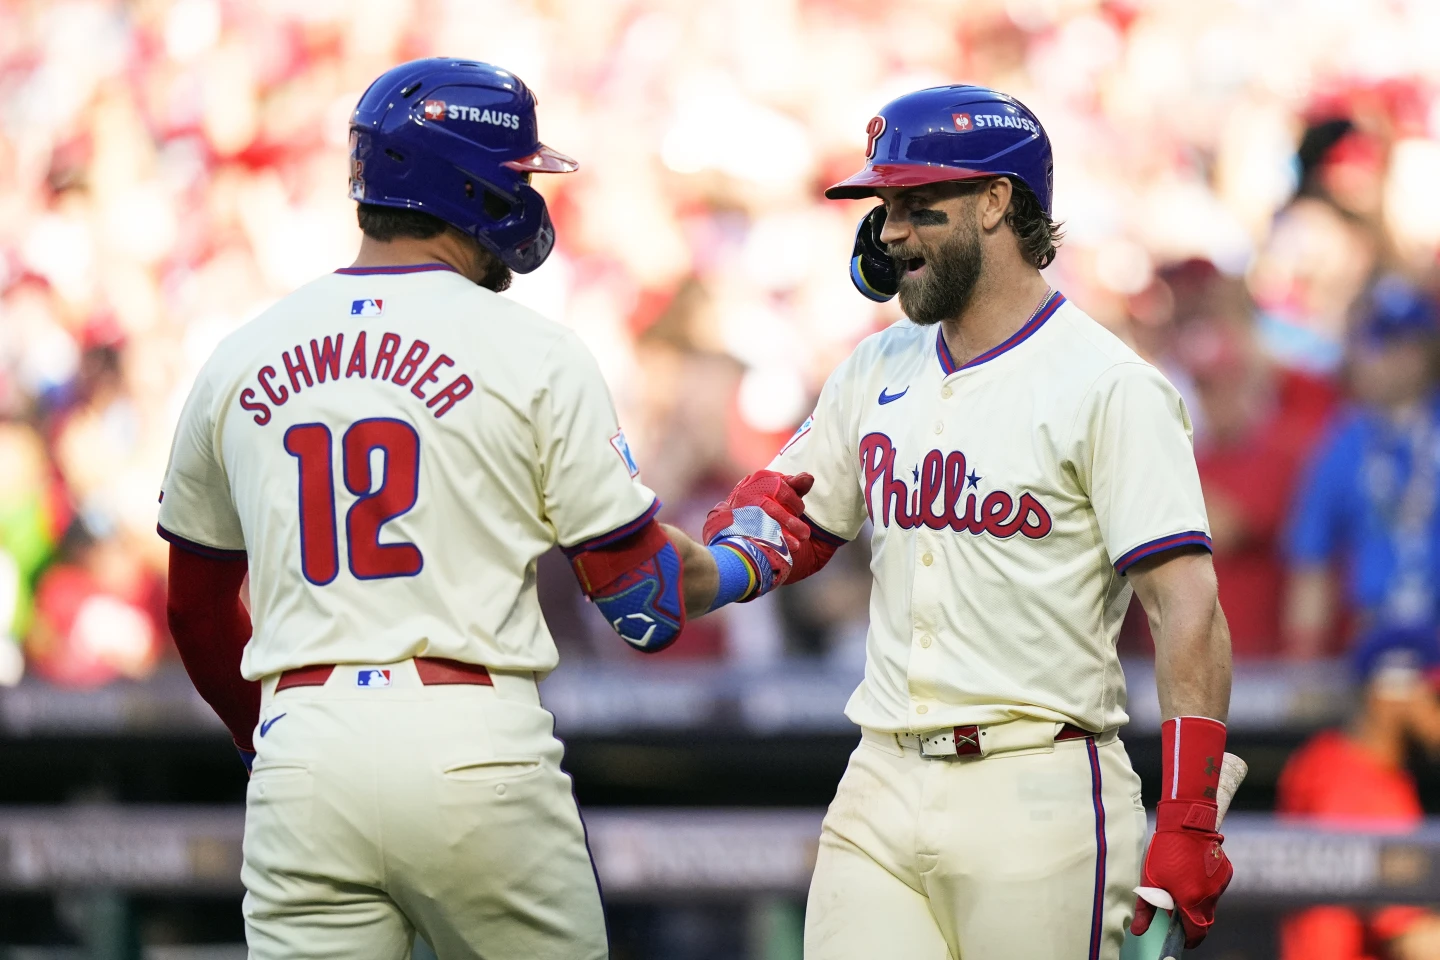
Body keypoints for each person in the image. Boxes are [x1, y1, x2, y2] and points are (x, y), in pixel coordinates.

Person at [158, 58, 799, 960]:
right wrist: (747, 557)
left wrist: (262, 735)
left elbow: (192, 606)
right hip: (471, 741)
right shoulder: (533, 349)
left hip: (303, 739)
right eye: (515, 176)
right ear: (466, 184)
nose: (526, 197)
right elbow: (642, 604)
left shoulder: (239, 354)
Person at [709, 86, 1234, 959]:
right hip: (880, 772)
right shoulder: (874, 365)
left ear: (996, 201)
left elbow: (1187, 608)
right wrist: (693, 569)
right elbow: (784, 515)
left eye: (919, 206)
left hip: (1039, 784)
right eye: (885, 208)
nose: (891, 232)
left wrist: (1188, 816)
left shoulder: (1111, 384)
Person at [1285, 278, 1440, 658]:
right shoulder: (1341, 444)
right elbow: (1311, 563)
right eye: (1377, 343)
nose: (1392, 358)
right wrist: (1303, 658)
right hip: (1373, 643)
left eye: (1406, 344)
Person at [1277, 628, 1440, 960]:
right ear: (1389, 694)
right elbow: (1412, 938)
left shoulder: (1323, 757)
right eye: (1436, 697)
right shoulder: (1356, 785)